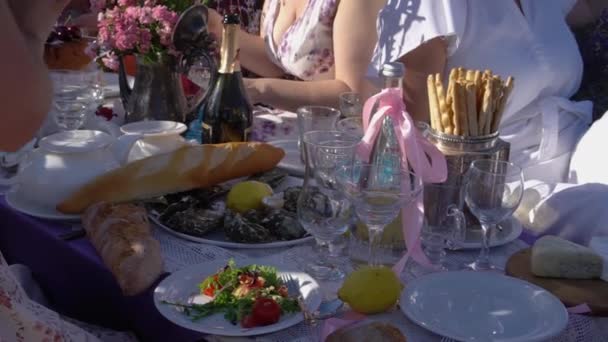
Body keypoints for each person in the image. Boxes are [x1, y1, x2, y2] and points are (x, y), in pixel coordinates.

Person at [368, 0, 608, 243]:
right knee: (604, 209)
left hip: (576, 152)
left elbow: (586, 9)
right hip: (498, 183)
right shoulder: (437, 5)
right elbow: (410, 129)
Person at [206, 0, 386, 112]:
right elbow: (274, 63)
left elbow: (354, 98)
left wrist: (255, 89)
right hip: (284, 136)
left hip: (332, 149)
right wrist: (217, 29)